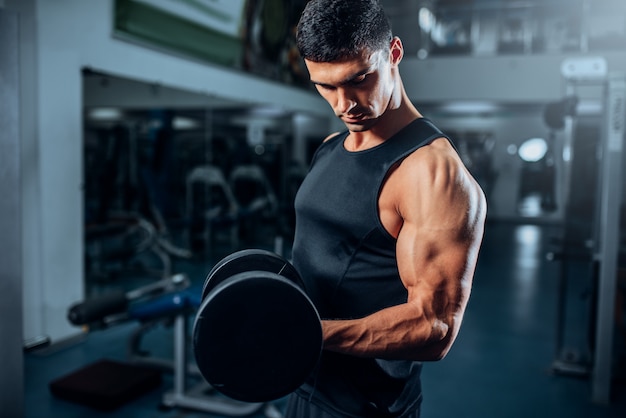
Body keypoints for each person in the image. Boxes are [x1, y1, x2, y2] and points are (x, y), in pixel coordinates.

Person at [288, 0, 487, 416]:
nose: (344, 104)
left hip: (365, 406)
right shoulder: (330, 147)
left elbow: (435, 328)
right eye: (325, 86)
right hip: (303, 383)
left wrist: (307, 334)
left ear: (394, 53)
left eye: (360, 79)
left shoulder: (432, 174)